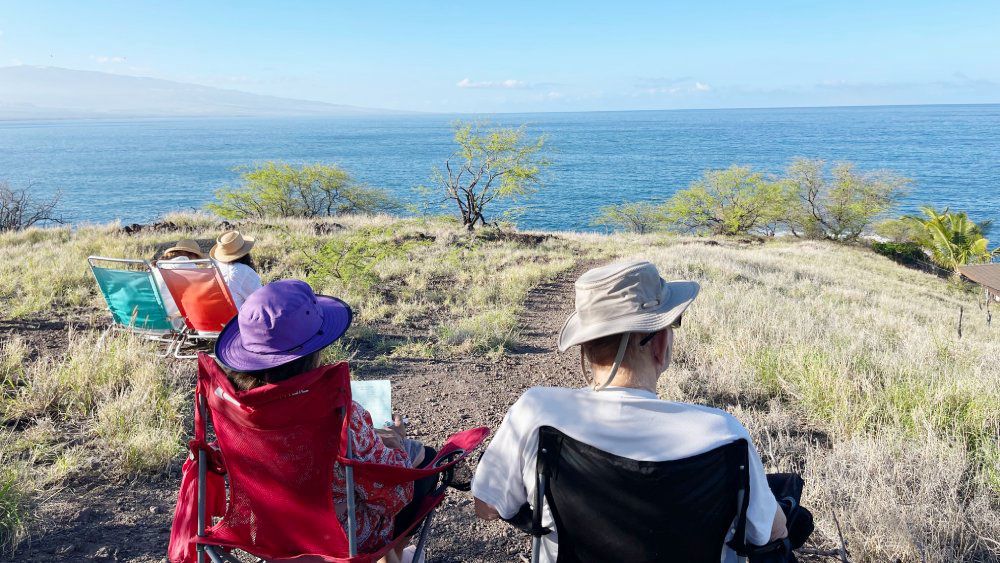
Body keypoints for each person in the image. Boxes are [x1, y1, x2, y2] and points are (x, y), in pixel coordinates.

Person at [471, 260, 787, 563]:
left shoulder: (536, 411)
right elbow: (769, 532)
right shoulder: (723, 434)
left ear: (585, 348)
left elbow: (487, 505)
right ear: (660, 343)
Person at [214, 279, 432, 562]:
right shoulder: (340, 414)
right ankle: (397, 557)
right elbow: (393, 494)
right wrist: (398, 445)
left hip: (271, 536)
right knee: (425, 463)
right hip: (340, 541)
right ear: (315, 350)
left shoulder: (234, 412)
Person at [151, 239, 206, 327]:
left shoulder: (158, 265)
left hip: (152, 319)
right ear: (192, 255)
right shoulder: (185, 264)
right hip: (172, 321)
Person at [210, 230, 263, 309]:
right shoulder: (242, 271)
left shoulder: (212, 269)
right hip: (239, 319)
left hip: (216, 318)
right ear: (245, 252)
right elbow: (261, 300)